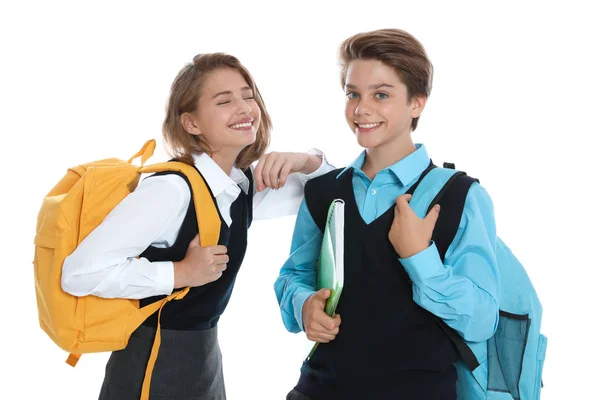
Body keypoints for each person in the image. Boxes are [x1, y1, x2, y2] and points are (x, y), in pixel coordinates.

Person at [61, 52, 335, 400]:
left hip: (203, 355)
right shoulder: (170, 190)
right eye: (224, 100)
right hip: (154, 358)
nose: (244, 107)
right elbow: (79, 273)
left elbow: (330, 193)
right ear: (191, 123)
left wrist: (307, 161)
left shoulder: (239, 185)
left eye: (248, 95)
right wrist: (181, 273)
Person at [275, 29, 501, 400]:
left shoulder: (462, 195)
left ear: (417, 103)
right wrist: (304, 307)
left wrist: (419, 258)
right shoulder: (323, 192)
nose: (362, 109)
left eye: (381, 95)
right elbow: (292, 277)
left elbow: (481, 321)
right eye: (353, 94)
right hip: (320, 389)